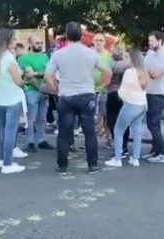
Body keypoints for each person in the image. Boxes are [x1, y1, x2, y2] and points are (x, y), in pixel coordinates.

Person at [45, 21, 111, 175]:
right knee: (89, 132)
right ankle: (92, 165)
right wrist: (96, 86)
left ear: (66, 35)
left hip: (66, 96)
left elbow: (48, 76)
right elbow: (107, 71)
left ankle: (62, 166)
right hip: (87, 95)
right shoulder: (91, 53)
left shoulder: (58, 54)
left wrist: (56, 89)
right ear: (82, 36)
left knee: (64, 133)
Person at [0, 28, 26, 174]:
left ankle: (3, 159)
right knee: (10, 131)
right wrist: (23, 83)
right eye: (14, 39)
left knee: (3, 130)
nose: (16, 42)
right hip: (11, 98)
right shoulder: (9, 57)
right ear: (7, 41)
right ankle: (8, 164)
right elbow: (18, 80)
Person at [105, 49, 150, 167]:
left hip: (131, 104)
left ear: (132, 59)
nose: (125, 60)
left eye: (126, 57)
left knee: (118, 130)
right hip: (142, 104)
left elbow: (123, 90)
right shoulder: (144, 72)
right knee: (137, 131)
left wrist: (121, 96)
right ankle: (135, 158)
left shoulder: (129, 72)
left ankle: (117, 159)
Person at [18, 36, 54, 153]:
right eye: (37, 43)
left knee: (42, 118)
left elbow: (49, 72)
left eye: (40, 43)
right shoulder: (24, 58)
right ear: (30, 43)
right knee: (31, 118)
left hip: (44, 89)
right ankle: (30, 141)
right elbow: (29, 76)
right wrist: (41, 84)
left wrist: (37, 74)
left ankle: (41, 139)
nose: (39, 45)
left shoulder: (44, 56)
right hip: (31, 90)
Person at [143, 31, 164, 163]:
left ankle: (162, 153)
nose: (149, 43)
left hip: (159, 93)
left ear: (160, 41)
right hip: (149, 92)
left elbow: (156, 74)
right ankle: (155, 150)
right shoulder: (150, 54)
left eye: (152, 40)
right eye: (149, 40)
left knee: (153, 123)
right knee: (152, 123)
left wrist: (144, 70)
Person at [105, 43, 130, 159]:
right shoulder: (127, 61)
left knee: (112, 120)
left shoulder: (110, 61)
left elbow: (107, 77)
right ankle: (123, 147)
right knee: (123, 121)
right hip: (124, 94)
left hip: (113, 92)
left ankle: (119, 146)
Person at [93, 33, 112, 140]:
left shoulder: (109, 56)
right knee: (91, 117)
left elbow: (111, 72)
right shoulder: (89, 54)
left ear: (104, 42)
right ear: (93, 42)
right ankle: (92, 140)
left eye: (101, 40)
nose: (98, 42)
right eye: (96, 40)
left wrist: (105, 86)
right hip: (90, 89)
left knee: (106, 115)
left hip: (105, 89)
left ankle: (109, 138)